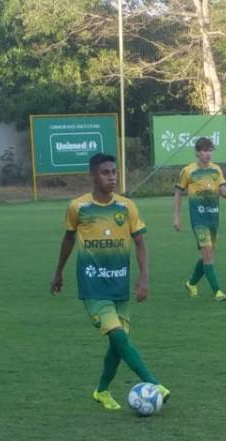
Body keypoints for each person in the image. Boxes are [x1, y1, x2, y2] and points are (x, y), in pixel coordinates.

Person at [50, 153, 170, 411]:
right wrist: (58, 272)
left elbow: (140, 242)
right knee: (118, 337)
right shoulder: (78, 207)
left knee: (119, 344)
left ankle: (102, 391)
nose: (112, 176)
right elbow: (68, 240)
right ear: (93, 175)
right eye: (105, 172)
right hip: (93, 287)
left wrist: (144, 277)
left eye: (114, 172)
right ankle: (155, 383)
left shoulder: (126, 207)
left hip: (120, 286)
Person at [173, 137, 226, 301]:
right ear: (197, 152)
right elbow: (179, 192)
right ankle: (218, 292)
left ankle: (191, 283)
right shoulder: (188, 171)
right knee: (208, 254)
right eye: (205, 151)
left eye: (210, 150)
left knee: (207, 256)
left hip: (213, 218)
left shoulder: (216, 170)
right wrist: (176, 217)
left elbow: (222, 190)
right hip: (198, 219)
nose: (208, 154)